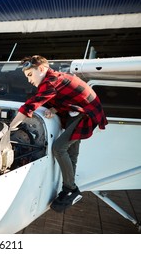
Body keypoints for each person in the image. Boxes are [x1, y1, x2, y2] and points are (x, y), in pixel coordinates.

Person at [9, 55, 108, 212]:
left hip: (86, 112)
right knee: (71, 152)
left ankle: (71, 188)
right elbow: (65, 96)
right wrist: (55, 109)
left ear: (41, 69)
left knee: (58, 148)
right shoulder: (55, 78)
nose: (29, 80)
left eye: (29, 75)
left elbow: (30, 106)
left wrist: (9, 129)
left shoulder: (51, 81)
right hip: (76, 110)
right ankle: (69, 190)